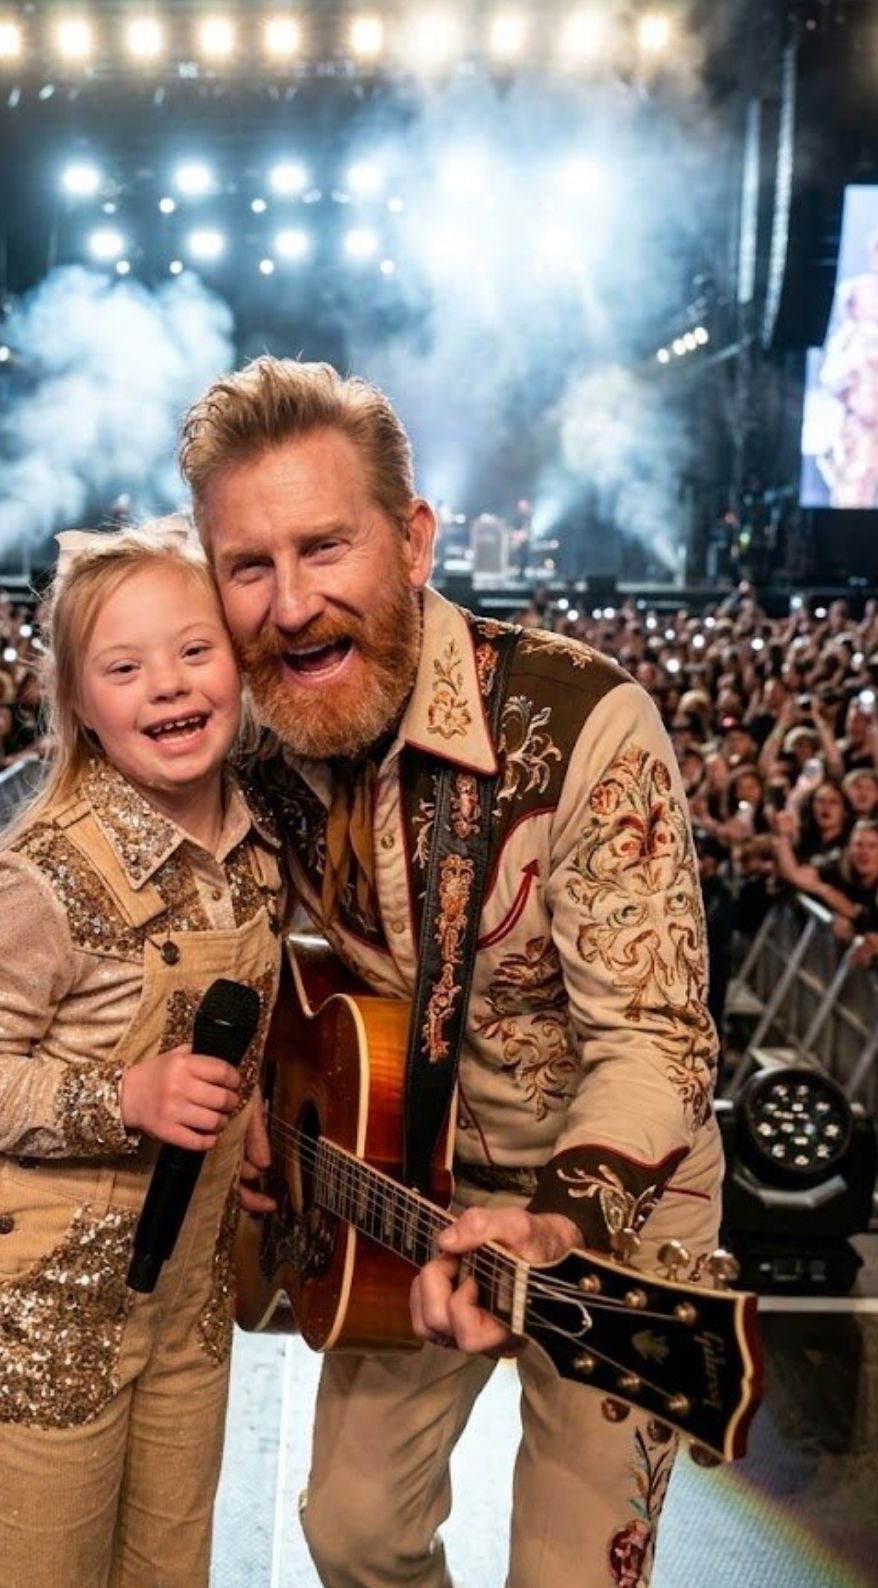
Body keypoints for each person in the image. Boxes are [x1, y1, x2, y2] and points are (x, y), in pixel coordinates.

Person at [178, 357, 722, 1588]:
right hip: (395, 1193)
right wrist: (261, 1097)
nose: (291, 604)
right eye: (247, 566)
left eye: (325, 546)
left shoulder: (580, 723)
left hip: (610, 1223)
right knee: (351, 1532)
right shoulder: (253, 746)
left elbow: (656, 1040)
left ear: (414, 539)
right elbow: (230, 957)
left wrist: (557, 1218)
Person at [0, 521, 282, 1588]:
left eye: (195, 650)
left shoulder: (260, 846)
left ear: (237, 664)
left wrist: (252, 1107)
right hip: (41, 1314)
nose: (166, 684)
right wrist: (123, 1095)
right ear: (78, 701)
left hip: (188, 1301)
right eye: (123, 668)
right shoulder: (39, 876)